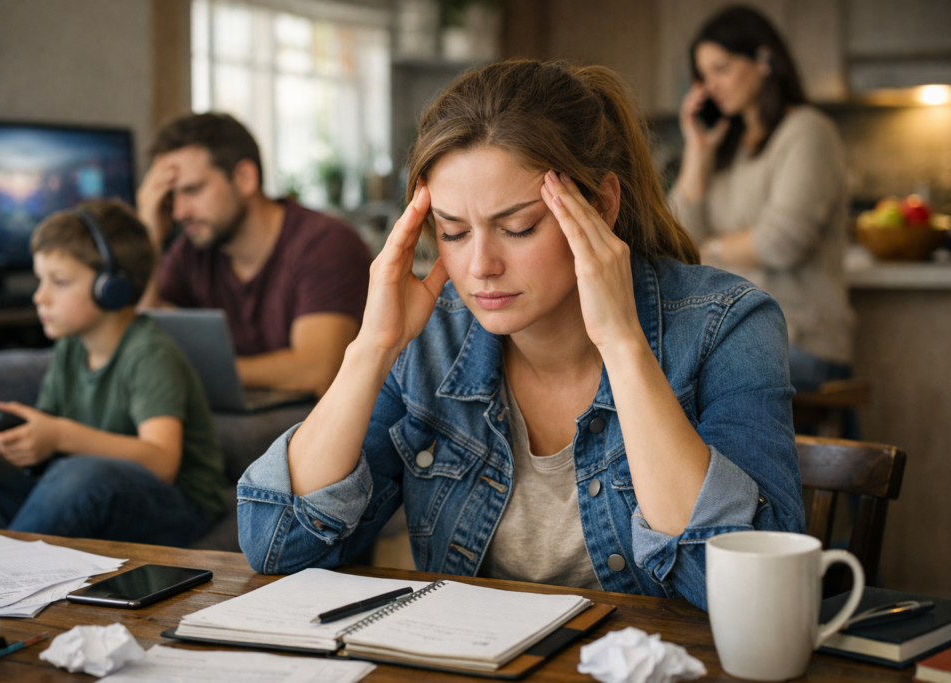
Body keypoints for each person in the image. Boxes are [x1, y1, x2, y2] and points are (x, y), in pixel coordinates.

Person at [236, 59, 806, 610]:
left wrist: (623, 346)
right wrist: (373, 348)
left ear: (602, 205)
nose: (481, 265)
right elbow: (276, 545)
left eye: (517, 227)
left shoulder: (727, 324)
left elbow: (745, 589)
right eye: (454, 233)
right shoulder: (431, 342)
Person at [0, 200, 229, 547]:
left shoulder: (149, 352)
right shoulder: (71, 348)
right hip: (81, 485)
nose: (40, 297)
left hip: (178, 505)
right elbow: (46, 459)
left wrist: (60, 436)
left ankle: (9, 571)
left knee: (80, 473)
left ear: (110, 287)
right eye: (40, 280)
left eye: (59, 282)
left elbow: (162, 462)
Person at [670, 6, 854, 393]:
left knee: (679, 378)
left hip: (799, 337)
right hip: (733, 332)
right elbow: (676, 239)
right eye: (703, 76)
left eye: (721, 69)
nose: (711, 85)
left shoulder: (807, 131)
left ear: (764, 59)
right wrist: (697, 152)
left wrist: (708, 249)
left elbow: (780, 241)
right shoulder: (727, 151)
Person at [137, 113, 373, 397]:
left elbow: (317, 370)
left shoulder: (326, 244)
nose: (178, 212)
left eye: (192, 190)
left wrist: (192, 369)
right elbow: (143, 334)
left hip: (315, 424)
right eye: (170, 197)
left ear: (245, 178)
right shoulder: (191, 251)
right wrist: (150, 236)